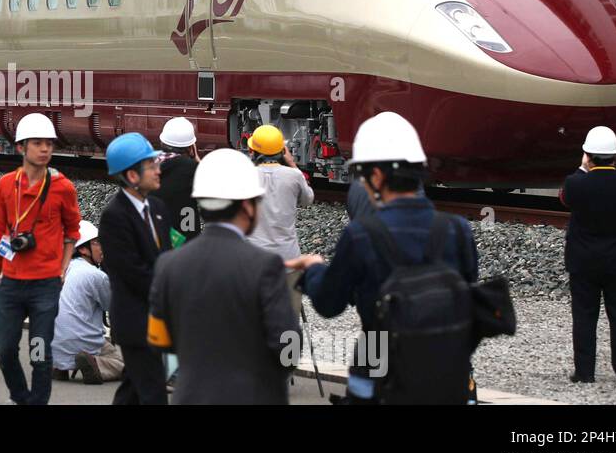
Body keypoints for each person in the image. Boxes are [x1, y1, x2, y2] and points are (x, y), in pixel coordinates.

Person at [291, 111, 479, 405]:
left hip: (379, 368)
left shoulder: (361, 235)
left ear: (377, 176)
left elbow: (329, 304)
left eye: (363, 176)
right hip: (448, 370)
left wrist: (313, 270)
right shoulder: (457, 230)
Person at [148, 149, 301, 404]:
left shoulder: (168, 265)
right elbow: (288, 347)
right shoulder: (266, 266)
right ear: (247, 205)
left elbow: (159, 341)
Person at [0, 113, 81, 405]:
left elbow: (73, 231)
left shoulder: (63, 187)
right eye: (37, 143)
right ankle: (21, 397)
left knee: (40, 352)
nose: (45, 149)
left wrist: (63, 268)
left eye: (49, 143)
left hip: (45, 285)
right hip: (11, 284)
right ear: (21, 147)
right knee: (5, 349)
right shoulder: (5, 185)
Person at [559, 126, 616, 385]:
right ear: (615, 157)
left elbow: (565, 198)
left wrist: (583, 169)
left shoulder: (575, 183)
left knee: (584, 317)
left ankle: (585, 372)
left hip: (584, 262)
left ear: (587, 155)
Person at [98, 131, 171, 405]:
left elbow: (166, 257)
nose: (158, 170)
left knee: (132, 390)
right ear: (131, 176)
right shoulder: (114, 217)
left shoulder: (158, 208)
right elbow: (132, 272)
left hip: (157, 317)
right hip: (135, 320)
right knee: (153, 393)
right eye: (151, 166)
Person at [52, 221, 122, 385]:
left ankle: (59, 366)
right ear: (83, 249)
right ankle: (96, 364)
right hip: (83, 342)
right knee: (125, 363)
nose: (102, 247)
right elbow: (113, 306)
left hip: (53, 343)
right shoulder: (94, 275)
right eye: (97, 242)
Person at [246, 125, 314, 261]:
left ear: (252, 151)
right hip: (288, 257)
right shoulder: (294, 175)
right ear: (283, 151)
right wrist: (292, 163)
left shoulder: (245, 176)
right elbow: (308, 200)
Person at [156, 117, 201, 244]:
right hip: (187, 244)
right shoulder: (192, 169)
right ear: (191, 147)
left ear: (162, 142)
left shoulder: (148, 168)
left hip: (155, 242)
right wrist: (196, 159)